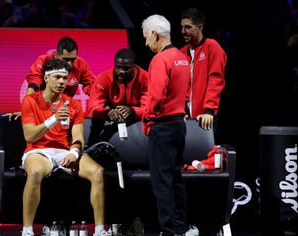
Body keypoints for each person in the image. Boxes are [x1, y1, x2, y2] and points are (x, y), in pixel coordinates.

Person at [20, 58, 109, 236]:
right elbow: (29, 136)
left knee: (98, 172)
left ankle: (100, 231)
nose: (62, 82)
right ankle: (27, 231)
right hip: (38, 151)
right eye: (58, 77)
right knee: (36, 171)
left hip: (64, 152)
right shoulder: (30, 101)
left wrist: (74, 152)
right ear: (46, 78)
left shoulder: (73, 104)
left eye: (65, 78)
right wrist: (54, 119)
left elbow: (77, 137)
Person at [141, 14, 190, 236]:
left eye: (146, 38)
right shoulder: (183, 58)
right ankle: (179, 227)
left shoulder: (160, 60)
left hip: (162, 126)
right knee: (176, 178)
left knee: (161, 183)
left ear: (155, 34)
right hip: (179, 125)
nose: (146, 44)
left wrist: (148, 118)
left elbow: (156, 96)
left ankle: (169, 230)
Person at [5, 36, 95, 120]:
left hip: (63, 109)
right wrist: (26, 111)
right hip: (41, 108)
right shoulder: (43, 61)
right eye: (66, 59)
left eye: (73, 59)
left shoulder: (81, 65)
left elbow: (91, 87)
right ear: (56, 55)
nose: (70, 64)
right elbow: (34, 84)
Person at [86, 48, 149, 146]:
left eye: (126, 68)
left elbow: (150, 108)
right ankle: (91, 147)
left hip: (136, 117)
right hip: (112, 116)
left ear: (134, 67)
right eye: (118, 67)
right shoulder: (103, 79)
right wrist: (107, 113)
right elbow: (92, 108)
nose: (121, 71)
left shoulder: (146, 78)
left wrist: (132, 111)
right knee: (96, 120)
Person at [180, 8, 227, 131]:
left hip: (205, 116)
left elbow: (215, 80)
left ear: (199, 28)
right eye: (182, 27)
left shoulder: (212, 47)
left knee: (205, 150)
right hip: (184, 118)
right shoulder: (180, 53)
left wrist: (209, 110)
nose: (183, 31)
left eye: (188, 27)